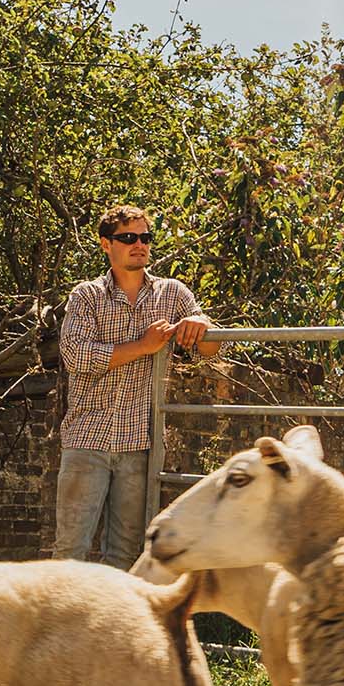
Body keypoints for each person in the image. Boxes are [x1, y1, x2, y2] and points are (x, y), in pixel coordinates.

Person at [53, 203, 213, 565]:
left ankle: (109, 623)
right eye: (128, 237)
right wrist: (143, 346)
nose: (139, 244)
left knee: (125, 556)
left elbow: (212, 349)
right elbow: (76, 356)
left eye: (145, 237)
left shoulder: (172, 293)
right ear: (105, 244)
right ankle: (61, 623)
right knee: (69, 552)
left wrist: (200, 323)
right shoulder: (87, 295)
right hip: (86, 438)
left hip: (139, 445)